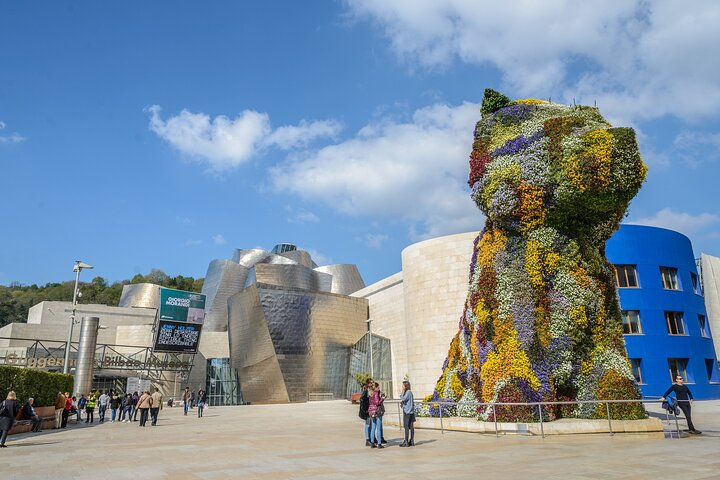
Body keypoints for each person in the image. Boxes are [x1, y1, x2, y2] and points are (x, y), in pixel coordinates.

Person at [368, 381, 386, 448]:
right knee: (378, 428)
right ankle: (379, 443)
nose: (379, 388)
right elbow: (377, 403)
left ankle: (372, 443)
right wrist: (382, 399)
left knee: (373, 427)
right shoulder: (375, 393)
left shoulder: (371, 393)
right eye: (378, 387)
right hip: (377, 412)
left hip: (372, 411)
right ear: (376, 387)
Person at [399, 380, 415, 447]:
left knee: (406, 427)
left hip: (407, 412)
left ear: (405, 386)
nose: (402, 387)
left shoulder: (408, 392)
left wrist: (401, 393)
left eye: (403, 386)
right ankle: (411, 441)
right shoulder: (410, 392)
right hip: (411, 412)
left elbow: (403, 398)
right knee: (411, 427)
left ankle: (406, 441)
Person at [358, 379, 372, 446]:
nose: (372, 384)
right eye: (371, 383)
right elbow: (361, 399)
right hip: (367, 411)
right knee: (367, 425)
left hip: (369, 410)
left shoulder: (369, 390)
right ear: (368, 384)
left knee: (369, 425)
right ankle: (367, 439)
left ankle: (370, 438)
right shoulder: (366, 391)